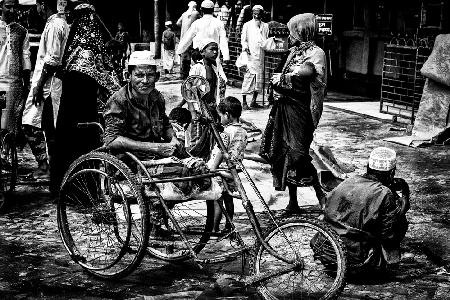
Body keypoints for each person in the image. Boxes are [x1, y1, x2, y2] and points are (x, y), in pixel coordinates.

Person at [103, 50, 182, 237]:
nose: (145, 80)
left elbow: (165, 124)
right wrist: (155, 147)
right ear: (128, 76)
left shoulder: (157, 97)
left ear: (157, 76)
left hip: (154, 158)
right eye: (139, 75)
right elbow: (112, 140)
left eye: (150, 75)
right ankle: (155, 223)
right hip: (127, 162)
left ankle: (156, 222)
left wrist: (173, 138)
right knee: (166, 178)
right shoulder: (118, 101)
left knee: (188, 174)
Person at [259, 13, 327, 215]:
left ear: (303, 30)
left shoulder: (317, 52)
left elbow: (308, 75)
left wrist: (286, 78)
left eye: (293, 31)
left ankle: (320, 195)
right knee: (284, 154)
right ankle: (293, 203)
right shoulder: (293, 51)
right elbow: (268, 49)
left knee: (298, 154)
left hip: (301, 110)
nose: (291, 35)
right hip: (284, 109)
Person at [52, 1, 120, 192]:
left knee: (66, 144)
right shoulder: (94, 52)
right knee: (86, 146)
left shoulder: (72, 53)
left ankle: (63, 188)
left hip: (68, 117)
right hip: (87, 117)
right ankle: (84, 190)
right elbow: (111, 82)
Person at [315, 147, 410, 272]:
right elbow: (389, 235)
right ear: (392, 173)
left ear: (368, 167)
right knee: (397, 223)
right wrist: (404, 201)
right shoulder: (384, 193)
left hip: (327, 256)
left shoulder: (349, 181)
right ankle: (386, 263)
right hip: (356, 263)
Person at [21, 0, 69, 179]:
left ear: (41, 4)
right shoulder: (58, 23)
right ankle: (50, 167)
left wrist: (39, 85)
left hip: (48, 85)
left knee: (30, 123)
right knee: (48, 127)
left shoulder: (56, 25)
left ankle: (46, 166)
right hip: (51, 83)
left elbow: (53, 59)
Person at [208, 96, 247, 234]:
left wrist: (213, 168)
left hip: (221, 170)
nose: (220, 120)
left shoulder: (226, 132)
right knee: (229, 199)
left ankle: (214, 228)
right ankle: (229, 226)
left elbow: (220, 151)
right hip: (232, 171)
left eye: (220, 116)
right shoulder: (243, 131)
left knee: (217, 200)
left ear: (227, 115)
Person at [185, 39, 226, 160]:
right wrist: (192, 111)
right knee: (197, 140)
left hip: (212, 108)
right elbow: (188, 88)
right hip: (200, 109)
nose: (215, 52)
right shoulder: (198, 68)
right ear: (202, 52)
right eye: (212, 49)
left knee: (210, 140)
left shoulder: (214, 68)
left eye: (216, 50)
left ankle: (205, 166)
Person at [176, 0, 230, 82]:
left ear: (201, 9)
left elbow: (187, 38)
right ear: (213, 10)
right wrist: (226, 56)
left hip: (199, 56)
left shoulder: (197, 23)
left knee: (197, 80)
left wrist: (180, 50)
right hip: (213, 56)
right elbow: (223, 41)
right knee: (215, 79)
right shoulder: (219, 23)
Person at [0, 0, 31, 136]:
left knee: (8, 126)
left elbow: (25, 58)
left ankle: (6, 155)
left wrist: (26, 85)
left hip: (13, 83)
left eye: (14, 7)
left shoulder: (21, 31)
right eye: (8, 7)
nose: (12, 10)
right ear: (0, 6)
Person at [240, 5, 268, 110]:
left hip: (261, 56)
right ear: (252, 14)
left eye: (258, 13)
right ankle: (244, 102)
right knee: (248, 78)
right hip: (250, 56)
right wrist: (245, 47)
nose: (256, 15)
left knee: (259, 79)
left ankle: (254, 101)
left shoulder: (265, 26)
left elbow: (266, 40)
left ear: (262, 14)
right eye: (254, 13)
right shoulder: (247, 25)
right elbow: (243, 40)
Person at [176, 1, 200, 79]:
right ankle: (194, 73)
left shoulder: (184, 14)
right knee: (193, 56)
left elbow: (178, 23)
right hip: (192, 38)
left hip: (183, 37)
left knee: (184, 55)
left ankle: (183, 74)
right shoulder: (196, 13)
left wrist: (184, 28)